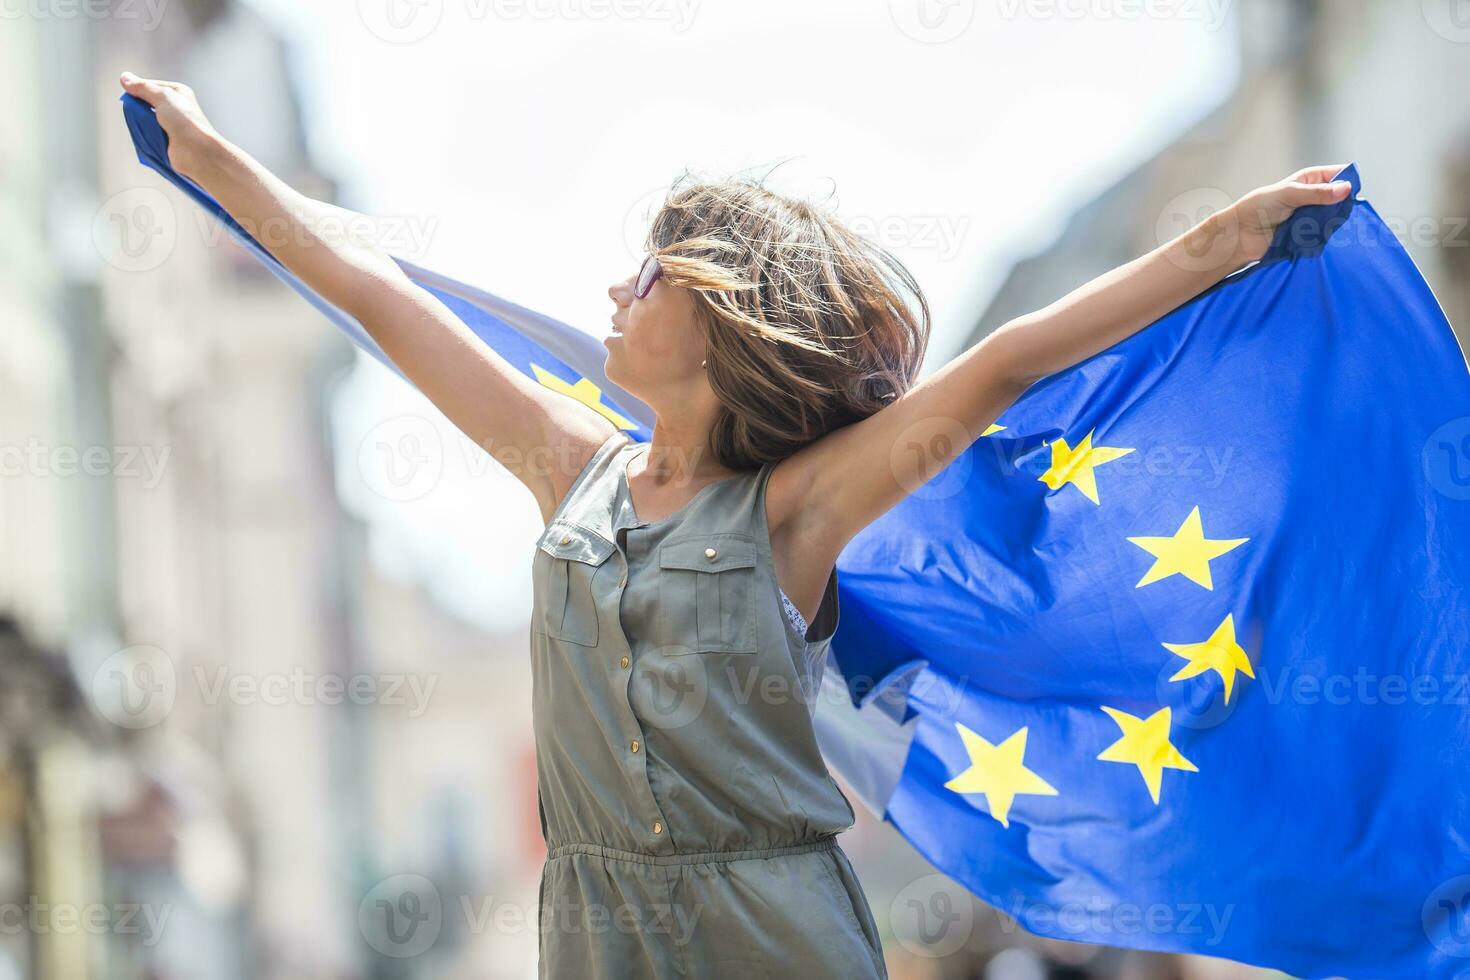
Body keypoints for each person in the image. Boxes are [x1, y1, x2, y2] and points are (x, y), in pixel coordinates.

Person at [118, 70, 1352, 978]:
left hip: (775, 932)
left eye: (647, 275)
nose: (614, 288)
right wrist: (211, 160)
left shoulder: (795, 513)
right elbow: (378, 298)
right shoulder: (568, 469)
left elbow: (1002, 368)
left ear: (718, 322)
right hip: (598, 930)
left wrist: (1224, 240)